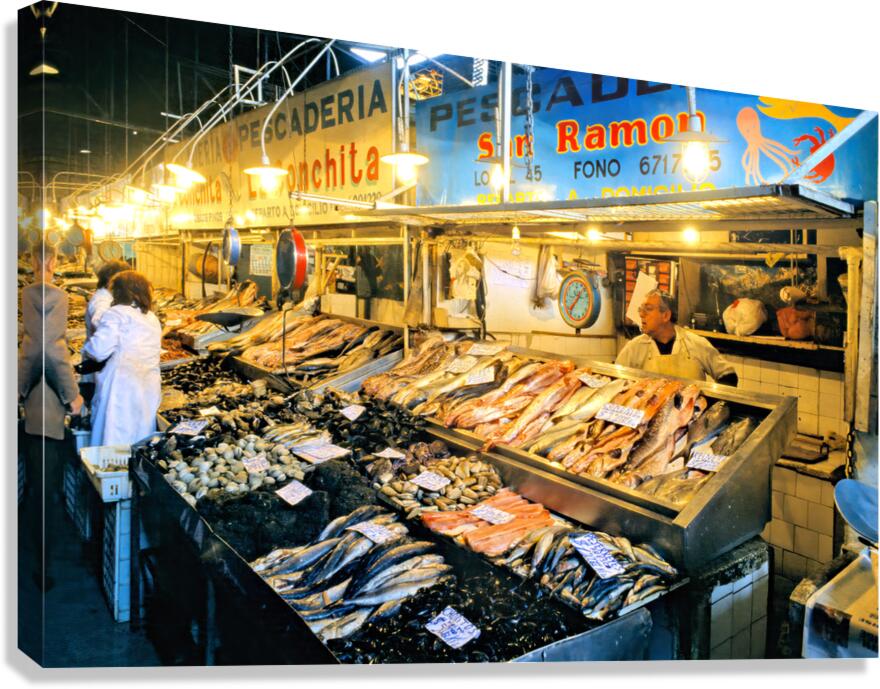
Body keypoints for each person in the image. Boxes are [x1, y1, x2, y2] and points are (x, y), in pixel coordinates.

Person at [18, 240, 84, 591]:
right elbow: (46, 349)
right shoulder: (49, 295)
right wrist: (72, 396)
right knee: (46, 492)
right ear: (52, 259)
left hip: (34, 407)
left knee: (36, 488)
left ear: (31, 259)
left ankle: (37, 559)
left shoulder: (28, 293)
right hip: (46, 406)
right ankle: (43, 567)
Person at [82, 270, 162, 446]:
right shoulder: (151, 317)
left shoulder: (116, 314)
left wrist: (87, 346)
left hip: (120, 387)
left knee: (115, 438)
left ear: (118, 291)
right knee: (140, 437)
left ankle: (113, 472)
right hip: (147, 386)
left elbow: (98, 351)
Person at [616, 289, 739, 385]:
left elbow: (728, 375)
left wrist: (715, 404)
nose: (641, 314)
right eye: (640, 309)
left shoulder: (695, 343)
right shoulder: (634, 348)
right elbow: (616, 379)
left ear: (666, 316)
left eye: (648, 309)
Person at [79, 259, 129, 402]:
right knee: (99, 405)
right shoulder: (102, 301)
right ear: (111, 279)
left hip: (102, 364)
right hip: (99, 365)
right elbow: (100, 322)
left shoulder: (108, 297)